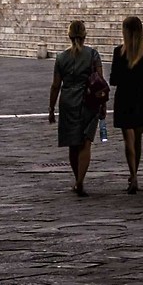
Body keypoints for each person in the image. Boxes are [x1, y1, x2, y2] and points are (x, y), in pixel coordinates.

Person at [48, 18, 103, 195]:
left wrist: (51, 108)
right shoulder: (93, 55)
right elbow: (99, 82)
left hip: (67, 101)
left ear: (69, 35)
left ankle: (77, 180)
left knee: (73, 143)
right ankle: (80, 180)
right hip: (88, 101)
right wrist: (103, 104)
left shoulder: (61, 57)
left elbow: (56, 85)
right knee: (85, 143)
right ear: (84, 35)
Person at [110, 14, 143, 194]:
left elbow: (113, 79)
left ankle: (132, 173)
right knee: (138, 139)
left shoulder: (119, 52)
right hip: (140, 98)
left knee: (128, 139)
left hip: (124, 97)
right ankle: (135, 175)